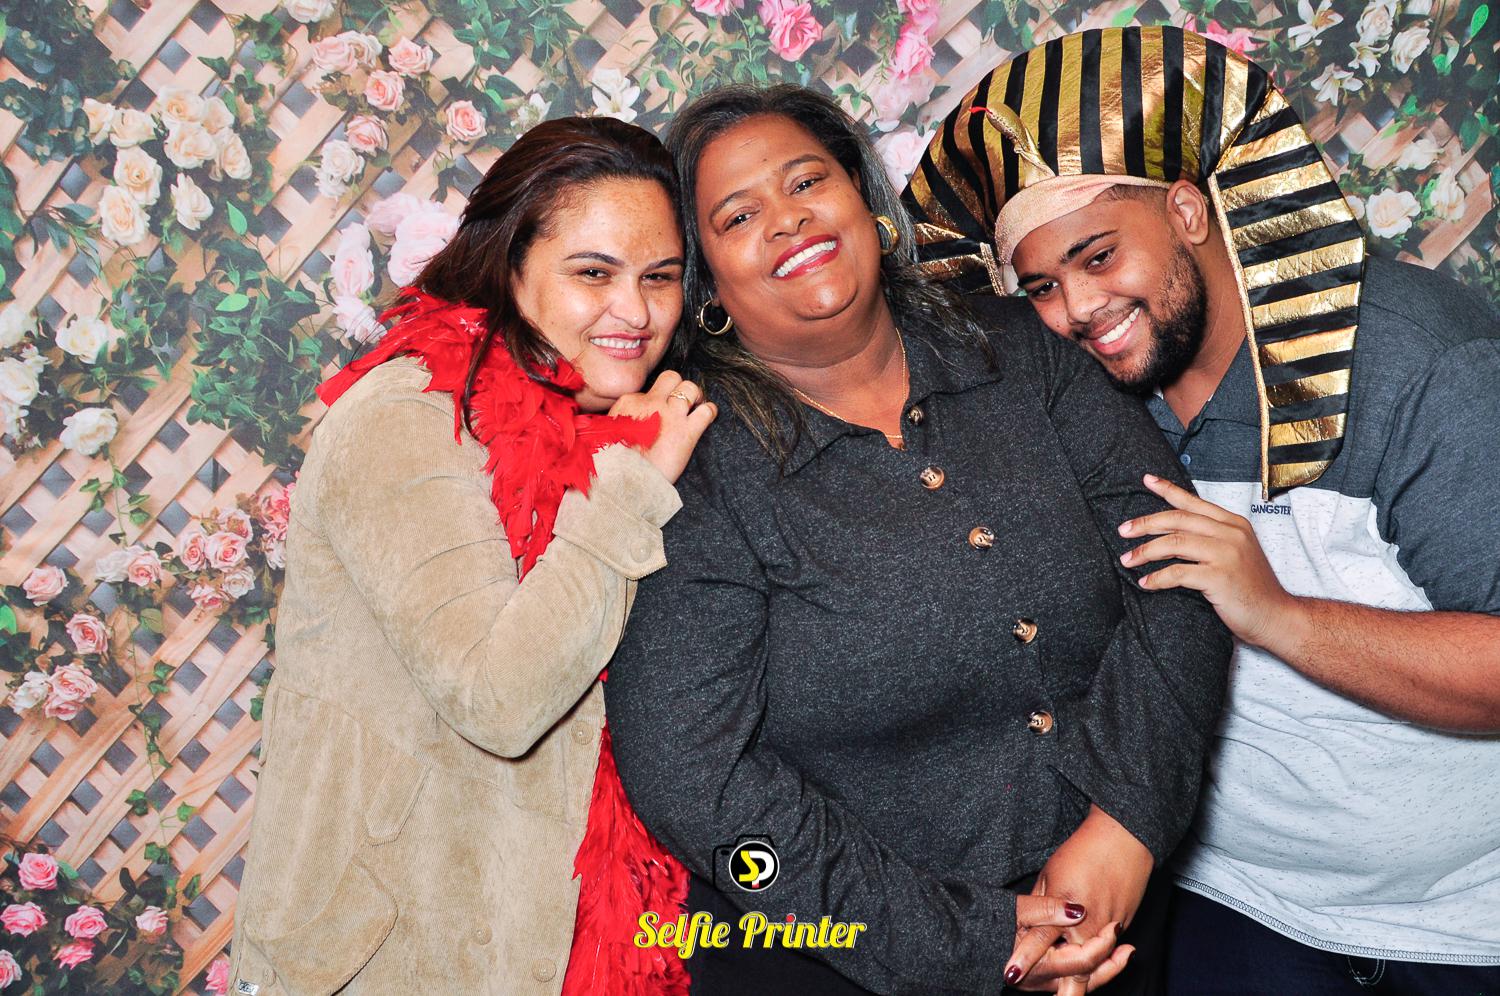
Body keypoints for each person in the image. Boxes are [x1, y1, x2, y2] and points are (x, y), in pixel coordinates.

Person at [903, 24, 1500, 994]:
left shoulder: (1418, 363)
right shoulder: (1074, 394)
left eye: (1100, 256)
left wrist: (1280, 615)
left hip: (1460, 931)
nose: (1078, 309)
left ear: (1186, 210)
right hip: (1229, 912)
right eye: (1043, 286)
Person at [604, 84, 1233, 996]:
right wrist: (960, 940)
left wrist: (1126, 826)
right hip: (857, 961)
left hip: (1125, 911)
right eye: (739, 216)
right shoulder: (697, 470)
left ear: (866, 202)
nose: (788, 219)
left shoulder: (1023, 349)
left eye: (807, 181)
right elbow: (693, 782)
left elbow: (1179, 562)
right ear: (707, 286)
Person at [228, 117, 716, 995]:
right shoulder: (405, 420)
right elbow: (500, 699)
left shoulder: (627, 418)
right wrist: (632, 485)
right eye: (593, 273)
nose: (637, 312)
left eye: (660, 277)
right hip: (392, 962)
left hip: (557, 942)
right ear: (510, 265)